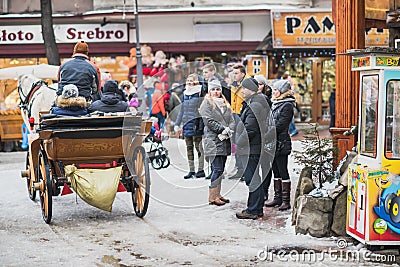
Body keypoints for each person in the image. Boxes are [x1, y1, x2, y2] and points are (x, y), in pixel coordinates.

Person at [235, 77, 270, 219]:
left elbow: (250, 129)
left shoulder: (255, 105)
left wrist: (239, 142)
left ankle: (254, 209)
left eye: (244, 88)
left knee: (252, 179)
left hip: (251, 148)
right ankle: (256, 208)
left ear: (252, 90)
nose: (242, 91)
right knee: (254, 178)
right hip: (253, 147)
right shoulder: (255, 103)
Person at [199, 79, 235, 206]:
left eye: (218, 89)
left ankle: (218, 194)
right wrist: (223, 129)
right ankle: (212, 197)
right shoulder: (206, 104)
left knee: (221, 169)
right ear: (209, 91)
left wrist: (229, 129)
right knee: (217, 169)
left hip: (224, 140)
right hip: (213, 141)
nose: (216, 92)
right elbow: (208, 121)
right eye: (213, 89)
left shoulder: (225, 103)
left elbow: (231, 118)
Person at [265, 79, 295, 211]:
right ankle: (277, 198)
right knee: (275, 170)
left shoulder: (287, 105)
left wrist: (266, 131)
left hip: (281, 142)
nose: (274, 92)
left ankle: (286, 200)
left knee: (283, 170)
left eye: (276, 90)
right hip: (272, 142)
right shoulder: (275, 103)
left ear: (282, 91)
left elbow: (280, 124)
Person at [174, 74, 205, 179]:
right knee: (189, 148)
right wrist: (177, 124)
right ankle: (191, 170)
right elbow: (182, 110)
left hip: (196, 124)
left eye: (192, 80)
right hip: (186, 124)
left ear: (196, 81)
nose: (189, 82)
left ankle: (201, 170)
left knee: (198, 148)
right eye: (188, 80)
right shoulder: (185, 94)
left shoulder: (199, 93)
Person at [254, 74, 273, 202]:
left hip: (267, 136)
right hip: (256, 136)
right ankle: (258, 191)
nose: (257, 87)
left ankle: (264, 191)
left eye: (260, 84)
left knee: (265, 166)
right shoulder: (252, 98)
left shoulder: (269, 99)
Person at [228, 63, 247, 180]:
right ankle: (239, 169)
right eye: (233, 73)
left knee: (243, 144)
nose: (233, 75)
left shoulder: (246, 86)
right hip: (234, 115)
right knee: (235, 143)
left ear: (243, 74)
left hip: (243, 116)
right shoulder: (233, 86)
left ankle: (245, 170)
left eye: (236, 73)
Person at [282, 72, 298, 137]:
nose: (290, 80)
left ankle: (293, 130)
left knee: (291, 118)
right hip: (287, 103)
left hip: (289, 103)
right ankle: (292, 130)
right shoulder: (284, 85)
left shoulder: (289, 86)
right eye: (289, 79)